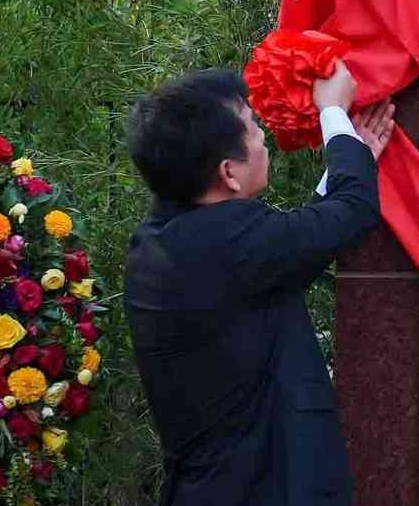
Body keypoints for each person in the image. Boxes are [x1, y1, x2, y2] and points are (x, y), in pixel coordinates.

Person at [123, 62, 393, 506]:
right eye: (253, 129)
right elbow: (354, 212)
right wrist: (332, 113)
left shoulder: (164, 239)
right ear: (228, 172)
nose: (264, 138)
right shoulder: (226, 237)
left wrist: (353, 156)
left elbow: (289, 253)